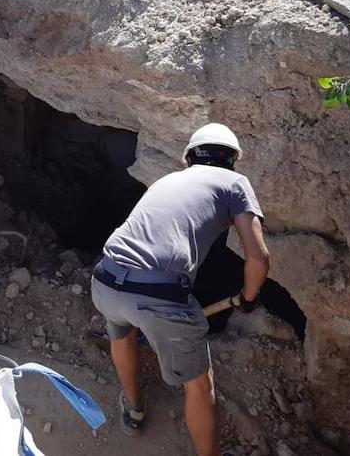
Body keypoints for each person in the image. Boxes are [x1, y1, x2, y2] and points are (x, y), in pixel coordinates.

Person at [90, 123, 270, 456]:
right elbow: (258, 258)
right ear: (232, 160)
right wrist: (248, 297)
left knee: (121, 330)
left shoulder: (168, 179)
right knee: (201, 384)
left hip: (106, 279)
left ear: (189, 158)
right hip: (157, 295)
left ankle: (133, 411)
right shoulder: (234, 183)